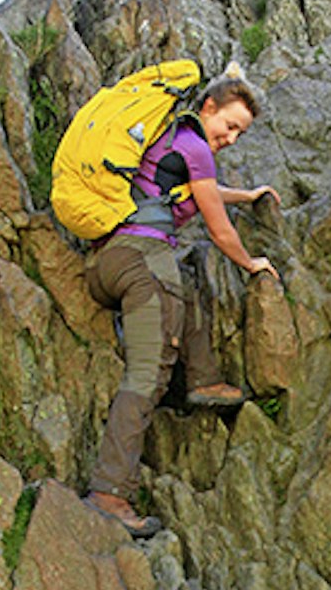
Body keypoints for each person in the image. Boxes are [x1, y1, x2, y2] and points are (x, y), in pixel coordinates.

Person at [83, 72, 281, 538]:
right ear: (208, 107)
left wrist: (246, 196)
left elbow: (203, 193)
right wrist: (251, 263)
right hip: (142, 261)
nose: (230, 138)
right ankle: (109, 492)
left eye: (240, 134)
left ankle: (203, 379)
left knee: (185, 286)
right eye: (228, 125)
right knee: (147, 374)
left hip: (109, 262)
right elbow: (218, 229)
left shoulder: (175, 144)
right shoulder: (193, 147)